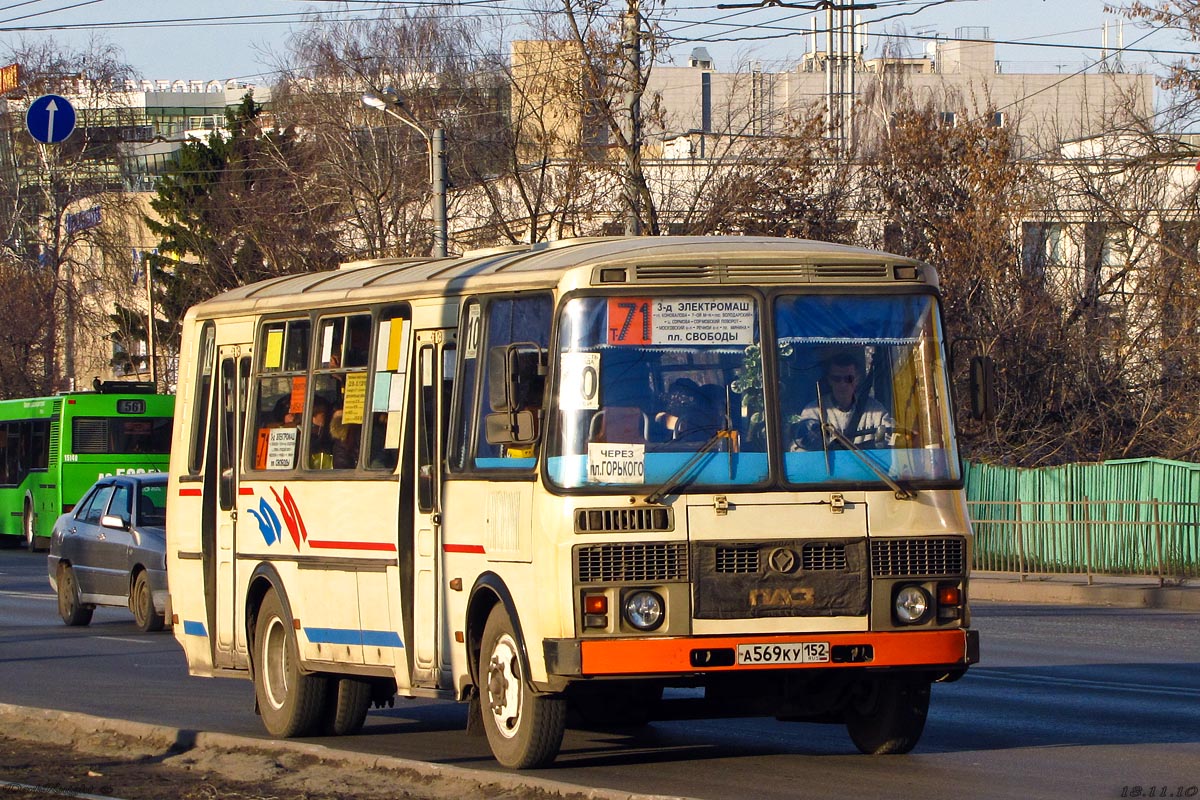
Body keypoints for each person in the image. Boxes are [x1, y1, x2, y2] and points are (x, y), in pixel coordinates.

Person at [791, 353, 894, 450]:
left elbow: (893, 440)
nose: (843, 384)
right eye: (836, 379)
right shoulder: (814, 411)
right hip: (828, 467)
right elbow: (800, 448)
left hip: (871, 467)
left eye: (848, 379)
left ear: (857, 379)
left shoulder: (875, 411)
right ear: (829, 380)